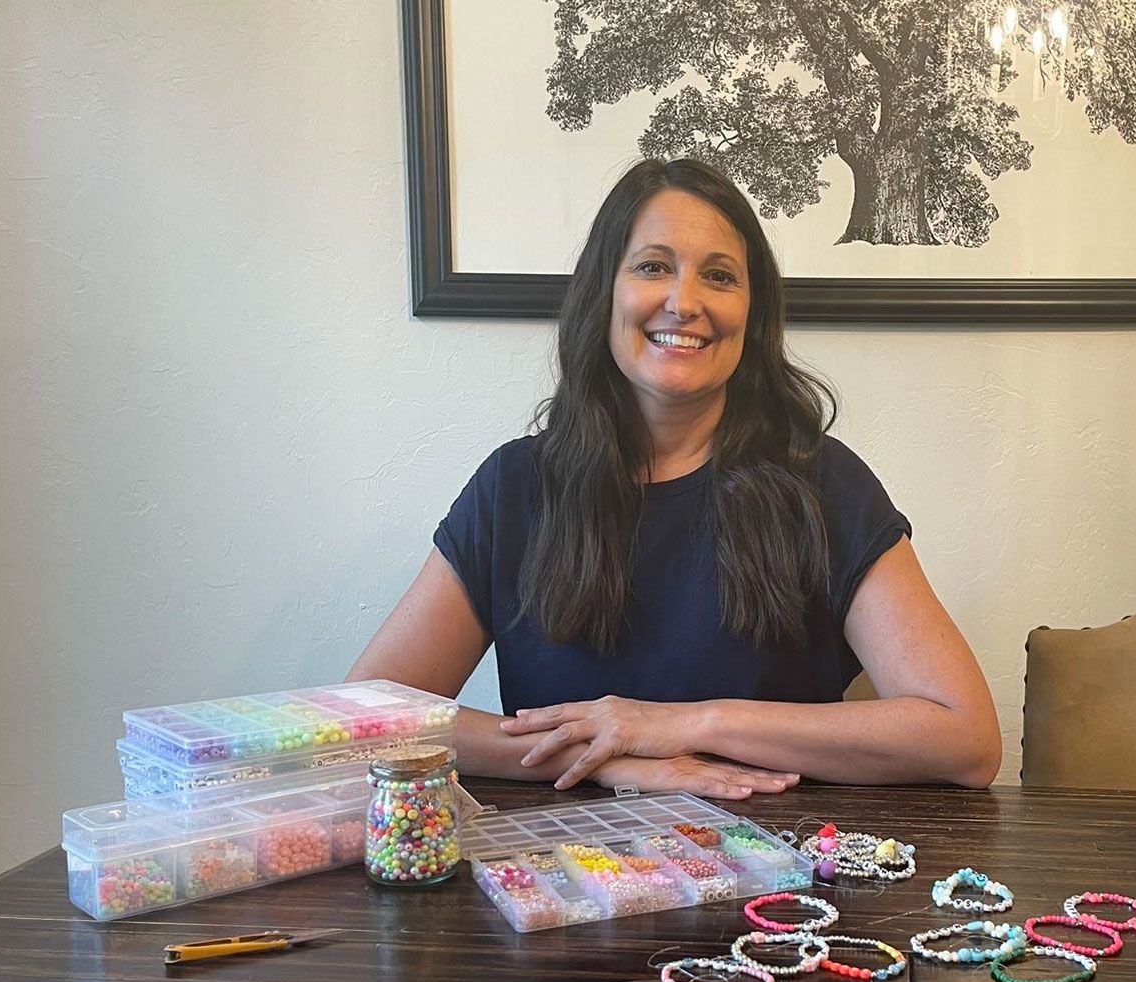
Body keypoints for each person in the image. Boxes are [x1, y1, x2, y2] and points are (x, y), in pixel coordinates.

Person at [348, 158, 1000, 800]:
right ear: (605, 291)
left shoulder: (825, 483)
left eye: (719, 276)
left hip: (778, 881)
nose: (684, 303)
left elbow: (965, 738)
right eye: (653, 267)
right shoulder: (514, 488)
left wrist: (683, 724)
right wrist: (596, 757)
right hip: (557, 880)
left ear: (753, 311)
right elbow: (360, 728)